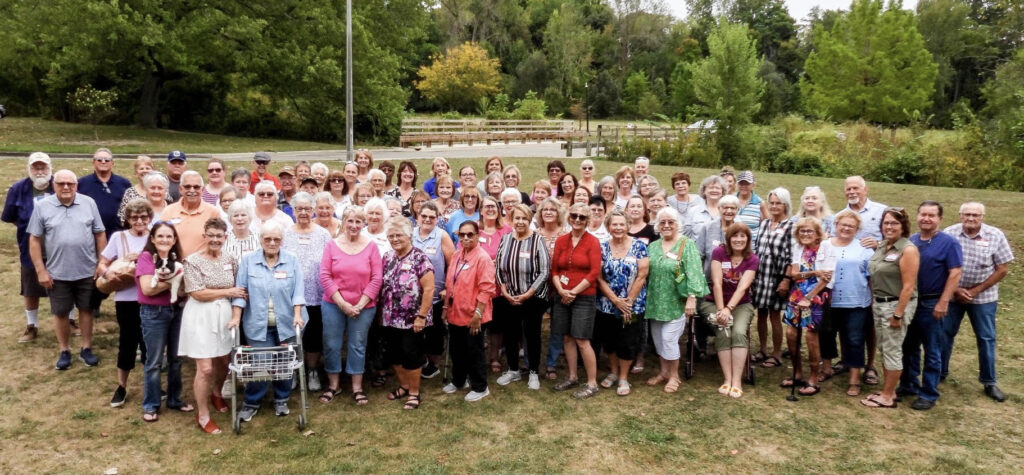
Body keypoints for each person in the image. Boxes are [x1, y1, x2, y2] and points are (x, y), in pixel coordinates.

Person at [28, 169, 106, 370]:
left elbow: (99, 234)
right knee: (61, 312)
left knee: (86, 309)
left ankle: (86, 348)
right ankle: (64, 350)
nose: (66, 187)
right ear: (54, 185)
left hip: (87, 270)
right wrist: (40, 271)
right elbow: (34, 240)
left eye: (70, 183)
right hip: (57, 272)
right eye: (61, 183)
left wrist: (101, 263)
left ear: (76, 185)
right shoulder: (42, 207)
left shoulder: (89, 203)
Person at [232, 221, 308, 421]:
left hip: (288, 322)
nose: (272, 242)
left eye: (276, 239)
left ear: (282, 241)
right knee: (260, 364)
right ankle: (252, 402)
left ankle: (281, 399)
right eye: (268, 239)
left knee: (285, 364)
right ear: (261, 240)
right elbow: (240, 292)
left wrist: (298, 314)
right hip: (258, 324)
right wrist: (235, 317)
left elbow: (298, 292)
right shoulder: (248, 261)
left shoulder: (291, 260)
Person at [942, 202, 1013, 402]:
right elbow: (941, 264)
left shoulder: (995, 235)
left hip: (983, 297)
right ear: (959, 215)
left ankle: (989, 381)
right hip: (954, 295)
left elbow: (1002, 269)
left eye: (975, 215)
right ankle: (939, 372)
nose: (971, 218)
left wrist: (975, 291)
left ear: (982, 217)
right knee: (944, 334)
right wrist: (955, 290)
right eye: (967, 214)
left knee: (986, 338)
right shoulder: (949, 234)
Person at [180, 218, 244, 433]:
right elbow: (197, 292)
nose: (215, 239)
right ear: (204, 236)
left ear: (225, 238)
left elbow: (239, 287)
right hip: (200, 315)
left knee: (223, 360)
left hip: (224, 315)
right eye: (212, 235)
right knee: (205, 368)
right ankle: (203, 412)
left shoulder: (231, 259)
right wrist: (227, 292)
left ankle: (217, 392)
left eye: (220, 236)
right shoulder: (192, 261)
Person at [900, 202, 962, 411]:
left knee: (932, 350)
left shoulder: (948, 243)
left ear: (940, 219)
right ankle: (909, 384)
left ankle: (929, 393)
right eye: (923, 214)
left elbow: (955, 273)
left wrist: (944, 301)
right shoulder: (912, 241)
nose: (926, 218)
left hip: (932, 302)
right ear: (917, 217)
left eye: (931, 215)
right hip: (912, 301)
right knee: (909, 347)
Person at [318, 206, 382, 405]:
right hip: (333, 304)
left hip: (364, 306)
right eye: (350, 221)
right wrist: (343, 303)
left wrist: (360, 304)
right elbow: (325, 276)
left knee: (357, 344)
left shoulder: (371, 246)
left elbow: (377, 278)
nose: (354, 226)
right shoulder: (331, 245)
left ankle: (357, 387)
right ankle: (333, 386)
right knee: (331, 344)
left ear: (363, 224)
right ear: (343, 222)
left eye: (358, 222)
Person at [861, 208, 920, 409]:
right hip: (879, 303)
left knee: (893, 350)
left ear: (903, 226)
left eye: (894, 223)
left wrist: (898, 314)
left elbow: (909, 286)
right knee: (884, 348)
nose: (889, 226)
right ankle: (890, 390)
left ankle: (887, 397)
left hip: (896, 305)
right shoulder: (884, 246)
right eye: (886, 223)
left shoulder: (908, 250)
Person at [136, 221, 193, 421]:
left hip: (177, 310)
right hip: (154, 312)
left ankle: (174, 399)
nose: (164, 240)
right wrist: (173, 281)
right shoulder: (146, 258)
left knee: (176, 359)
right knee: (154, 361)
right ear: (152, 238)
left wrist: (174, 282)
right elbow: (147, 289)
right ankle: (151, 404)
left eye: (169, 236)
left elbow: (187, 286)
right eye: (160, 236)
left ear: (174, 239)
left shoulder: (178, 259)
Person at [97, 199, 152, 407]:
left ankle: (151, 384)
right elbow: (102, 263)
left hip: (150, 297)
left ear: (149, 218)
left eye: (144, 216)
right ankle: (121, 386)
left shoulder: (154, 237)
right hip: (126, 298)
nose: (139, 221)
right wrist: (108, 272)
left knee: (150, 344)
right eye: (134, 217)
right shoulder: (119, 238)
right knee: (127, 342)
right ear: (127, 219)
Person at [647, 207, 709, 393]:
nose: (666, 225)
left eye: (670, 222)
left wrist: (692, 298)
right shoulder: (653, 246)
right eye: (662, 222)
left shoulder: (686, 244)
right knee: (658, 339)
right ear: (657, 225)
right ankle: (664, 372)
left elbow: (695, 273)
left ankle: (674, 375)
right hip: (656, 300)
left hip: (676, 302)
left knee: (669, 339)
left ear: (677, 224)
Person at [378, 217, 435, 409]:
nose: (394, 239)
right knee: (394, 355)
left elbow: (429, 290)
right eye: (391, 236)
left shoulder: (420, 258)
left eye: (398, 235)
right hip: (389, 317)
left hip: (413, 319)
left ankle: (414, 392)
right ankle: (403, 386)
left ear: (409, 235)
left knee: (412, 355)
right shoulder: (387, 257)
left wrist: (421, 316)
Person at [494, 205, 550, 390]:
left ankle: (533, 371)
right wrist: (503, 289)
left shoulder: (537, 240)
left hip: (532, 297)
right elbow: (498, 267)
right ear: (511, 219)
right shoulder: (506, 239)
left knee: (532, 335)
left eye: (524, 219)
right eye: (517, 218)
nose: (520, 222)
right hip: (509, 296)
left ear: (529, 220)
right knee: (510, 333)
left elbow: (544, 271)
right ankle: (513, 370)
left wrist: (528, 294)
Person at [595, 210, 650, 396]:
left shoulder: (639, 246)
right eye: (614, 224)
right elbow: (599, 278)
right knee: (609, 341)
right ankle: (613, 371)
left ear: (628, 226)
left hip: (632, 305)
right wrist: (615, 300)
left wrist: (628, 302)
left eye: (621, 224)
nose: (618, 228)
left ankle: (624, 377)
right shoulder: (601, 247)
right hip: (607, 304)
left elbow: (642, 275)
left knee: (628, 341)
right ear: (608, 226)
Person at [551, 203, 602, 399]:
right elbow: (554, 270)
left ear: (587, 220)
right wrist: (561, 290)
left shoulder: (592, 242)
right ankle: (572, 377)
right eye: (574, 216)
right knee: (566, 337)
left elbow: (594, 272)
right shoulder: (562, 241)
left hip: (584, 296)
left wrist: (573, 291)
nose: (578, 219)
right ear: (569, 217)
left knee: (582, 339)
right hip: (562, 294)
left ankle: (592, 383)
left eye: (582, 217)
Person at [282, 192, 332, 393]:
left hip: (317, 295)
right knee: (291, 336)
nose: (303, 212)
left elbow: (330, 263)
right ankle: (293, 370)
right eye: (299, 209)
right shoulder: (285, 233)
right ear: (293, 211)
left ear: (313, 211)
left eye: (307, 209)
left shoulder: (323, 234)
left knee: (313, 336)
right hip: (290, 297)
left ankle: (312, 370)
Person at [700, 222, 757, 398]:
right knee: (724, 331)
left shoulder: (752, 259)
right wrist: (721, 310)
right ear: (728, 238)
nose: (738, 240)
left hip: (741, 304)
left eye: (742, 236)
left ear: (747, 239)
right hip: (713, 302)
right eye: (735, 236)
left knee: (739, 332)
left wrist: (728, 309)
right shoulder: (719, 252)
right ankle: (727, 379)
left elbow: (742, 287)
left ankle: (737, 381)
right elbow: (716, 282)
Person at [441, 221, 496, 402]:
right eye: (462, 234)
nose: (465, 238)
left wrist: (477, 315)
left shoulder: (482, 258)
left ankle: (480, 387)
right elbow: (451, 283)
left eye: (469, 234)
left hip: (474, 315)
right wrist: (445, 309)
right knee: (457, 351)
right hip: (456, 313)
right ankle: (459, 381)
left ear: (477, 235)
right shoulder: (457, 255)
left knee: (474, 351)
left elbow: (487, 289)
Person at [3, 152, 54, 343]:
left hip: (61, 247)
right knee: (30, 287)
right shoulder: (18, 189)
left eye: (43, 167)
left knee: (67, 285)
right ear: (29, 169)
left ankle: (72, 320)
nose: (40, 171)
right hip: (30, 247)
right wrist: (33, 231)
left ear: (50, 168)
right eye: (36, 167)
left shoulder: (61, 185)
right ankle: (31, 326)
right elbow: (11, 216)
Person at [782, 217, 833, 396]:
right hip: (796, 294)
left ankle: (813, 377)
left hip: (817, 296)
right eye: (802, 231)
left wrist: (810, 297)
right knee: (790, 333)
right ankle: (797, 373)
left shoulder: (826, 248)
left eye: (809, 231)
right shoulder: (798, 248)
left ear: (818, 233)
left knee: (812, 337)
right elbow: (795, 275)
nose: (805, 234)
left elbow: (827, 277)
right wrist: (814, 272)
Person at [828, 210, 876, 397]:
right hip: (830, 300)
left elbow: (871, 276)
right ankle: (826, 369)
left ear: (857, 229)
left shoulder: (864, 248)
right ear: (836, 225)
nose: (846, 228)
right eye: (843, 224)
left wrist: (873, 300)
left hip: (857, 301)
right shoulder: (825, 244)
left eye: (851, 226)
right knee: (828, 335)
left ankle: (854, 380)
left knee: (855, 339)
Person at [412, 202, 456, 379]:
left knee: (435, 332)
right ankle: (419, 360)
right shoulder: (410, 234)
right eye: (424, 216)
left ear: (437, 219)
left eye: (432, 217)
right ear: (418, 217)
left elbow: (452, 264)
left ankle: (434, 364)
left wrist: (447, 287)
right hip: (413, 296)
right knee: (415, 331)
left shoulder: (442, 236)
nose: (428, 220)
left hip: (436, 295)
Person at [752, 188, 794, 369]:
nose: (774, 206)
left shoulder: (790, 226)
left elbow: (792, 256)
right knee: (760, 313)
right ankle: (762, 349)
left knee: (775, 315)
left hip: (777, 278)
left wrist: (786, 279)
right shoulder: (764, 224)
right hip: (760, 276)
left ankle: (776, 353)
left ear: (785, 205)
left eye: (778, 203)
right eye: (772, 203)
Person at [160, 171, 222, 256]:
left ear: (202, 190)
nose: (192, 190)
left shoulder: (213, 212)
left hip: (202, 265)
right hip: (175, 265)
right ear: (181, 189)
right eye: (187, 187)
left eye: (196, 187)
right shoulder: (168, 211)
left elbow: (218, 241)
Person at [842, 175, 887, 248]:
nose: (852, 192)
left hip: (875, 257)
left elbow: (894, 238)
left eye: (855, 188)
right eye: (848, 189)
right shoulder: (839, 216)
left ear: (865, 190)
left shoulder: (881, 211)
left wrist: (878, 244)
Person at [117, 155, 156, 224]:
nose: (145, 171)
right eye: (141, 169)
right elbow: (123, 217)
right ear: (136, 173)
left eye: (147, 168)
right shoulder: (129, 193)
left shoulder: (161, 190)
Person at [735, 171, 768, 242]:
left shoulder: (760, 203)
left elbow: (766, 226)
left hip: (751, 248)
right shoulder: (730, 200)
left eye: (747, 183)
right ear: (737, 184)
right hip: (731, 247)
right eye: (741, 183)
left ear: (753, 185)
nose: (743, 186)